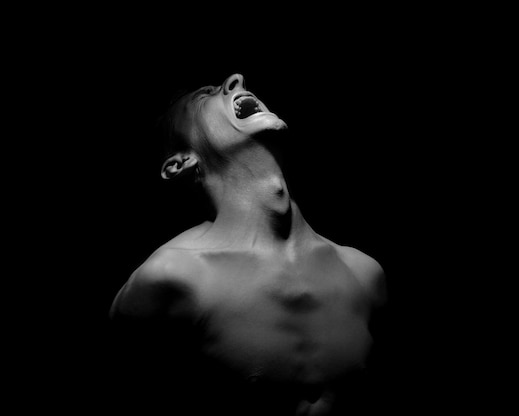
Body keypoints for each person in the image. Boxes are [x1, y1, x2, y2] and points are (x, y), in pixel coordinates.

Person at [109, 74, 386, 415]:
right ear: (180, 163)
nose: (235, 79)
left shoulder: (364, 274)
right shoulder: (171, 280)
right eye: (206, 96)